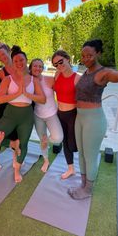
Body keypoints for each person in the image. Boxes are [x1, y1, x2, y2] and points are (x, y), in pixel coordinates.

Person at [68, 39, 118, 200]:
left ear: (98, 53)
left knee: (90, 155)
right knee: (81, 154)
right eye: (83, 56)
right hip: (80, 118)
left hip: (94, 120)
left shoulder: (104, 73)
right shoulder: (86, 72)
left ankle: (88, 190)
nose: (86, 58)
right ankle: (83, 185)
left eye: (89, 55)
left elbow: (115, 76)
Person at [0, 45, 46, 182]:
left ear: (26, 60)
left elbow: (43, 99)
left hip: (26, 115)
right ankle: (12, 144)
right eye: (16, 61)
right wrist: (16, 94)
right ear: (12, 62)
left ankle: (17, 170)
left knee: (24, 144)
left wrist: (27, 94)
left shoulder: (33, 79)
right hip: (10, 113)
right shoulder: (7, 79)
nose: (19, 63)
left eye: (21, 60)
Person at [29, 58, 63, 172]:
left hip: (51, 114)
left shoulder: (49, 79)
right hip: (37, 115)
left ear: (43, 68)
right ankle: (46, 160)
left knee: (58, 137)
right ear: (31, 67)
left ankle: (46, 141)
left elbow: (61, 90)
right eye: (35, 66)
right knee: (41, 139)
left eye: (40, 66)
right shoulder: (28, 81)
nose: (37, 68)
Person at [52, 50, 80, 179]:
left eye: (60, 61)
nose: (59, 65)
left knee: (73, 145)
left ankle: (85, 164)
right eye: (56, 64)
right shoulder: (57, 75)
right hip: (60, 114)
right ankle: (71, 168)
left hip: (73, 115)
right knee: (64, 142)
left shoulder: (77, 78)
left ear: (68, 59)